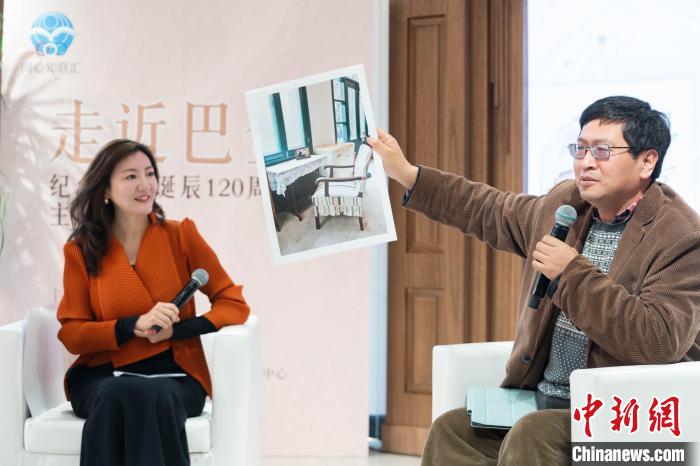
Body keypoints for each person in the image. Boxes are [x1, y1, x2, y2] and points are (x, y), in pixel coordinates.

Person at [367, 96, 700, 465]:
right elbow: (489, 208)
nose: (586, 162)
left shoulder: (680, 236)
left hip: (621, 417)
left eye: (602, 151)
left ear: (647, 161)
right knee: (452, 431)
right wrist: (407, 174)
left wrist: (571, 274)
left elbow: (660, 339)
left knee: (532, 434)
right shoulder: (566, 206)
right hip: (545, 402)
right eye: (580, 149)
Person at [57, 139, 250, 466]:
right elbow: (72, 334)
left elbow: (234, 303)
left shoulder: (180, 235)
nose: (145, 184)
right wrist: (131, 326)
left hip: (174, 376)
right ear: (105, 189)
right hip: (102, 376)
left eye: (149, 173)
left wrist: (178, 331)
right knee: (120, 393)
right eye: (131, 176)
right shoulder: (81, 249)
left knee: (151, 395)